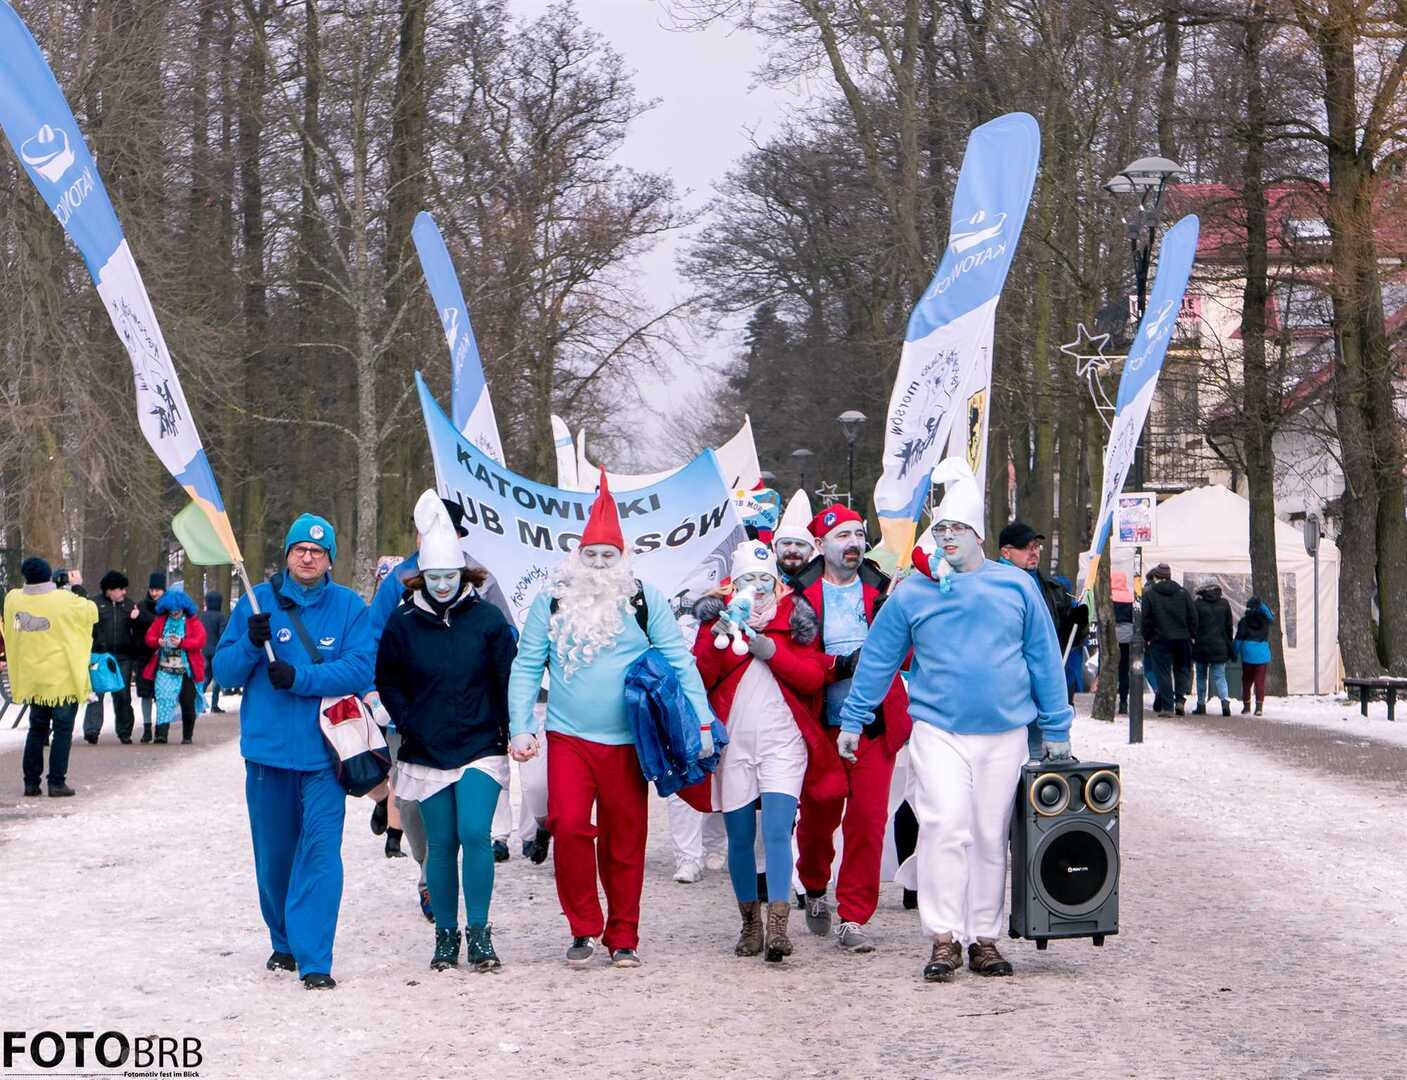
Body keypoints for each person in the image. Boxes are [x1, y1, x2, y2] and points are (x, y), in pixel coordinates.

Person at [838, 458, 1074, 982]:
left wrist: (1056, 729)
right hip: (938, 728)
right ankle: (943, 936)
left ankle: (983, 937)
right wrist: (854, 719)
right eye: (940, 528)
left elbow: (1043, 658)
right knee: (945, 824)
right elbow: (878, 658)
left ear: (979, 536)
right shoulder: (914, 593)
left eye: (956, 529)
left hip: (1005, 730)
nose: (946, 537)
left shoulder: (1015, 587)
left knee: (990, 834)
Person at [506, 470, 717, 969]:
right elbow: (526, 664)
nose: (599, 566)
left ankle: (624, 934)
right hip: (568, 737)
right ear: (577, 556)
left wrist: (702, 721)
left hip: (629, 740)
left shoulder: (645, 601)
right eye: (591, 555)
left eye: (609, 556)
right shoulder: (551, 601)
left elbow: (679, 659)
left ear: (623, 559)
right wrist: (520, 725)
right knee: (569, 825)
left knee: (626, 838)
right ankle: (583, 926)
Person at [213, 514, 375, 990]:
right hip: (268, 757)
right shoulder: (256, 603)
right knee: (275, 857)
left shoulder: (348, 607)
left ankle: (314, 958)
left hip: (327, 757)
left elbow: (359, 669)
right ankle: (283, 940)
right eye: (300, 549)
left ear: (330, 560)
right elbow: (223, 674)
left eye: (318, 551)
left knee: (322, 854)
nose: (309, 557)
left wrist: (301, 678)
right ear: (287, 555)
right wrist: (250, 642)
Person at [375, 492, 518, 972]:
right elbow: (388, 678)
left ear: (463, 574)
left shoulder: (488, 620)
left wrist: (515, 728)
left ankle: (479, 932)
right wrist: (408, 719)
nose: (440, 586)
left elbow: (508, 676)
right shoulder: (403, 621)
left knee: (475, 832)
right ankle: (445, 934)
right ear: (422, 576)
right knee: (441, 843)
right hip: (425, 746)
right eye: (433, 577)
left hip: (480, 741)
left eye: (449, 577)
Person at [687, 541, 836, 962]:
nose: (757, 587)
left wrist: (769, 650)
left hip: (783, 741)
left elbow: (812, 677)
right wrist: (716, 640)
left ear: (776, 582)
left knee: (776, 830)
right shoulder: (715, 623)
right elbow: (698, 678)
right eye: (748, 579)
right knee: (738, 836)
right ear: (734, 584)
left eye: (764, 579)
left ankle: (778, 927)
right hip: (734, 743)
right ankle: (749, 923)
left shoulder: (795, 620)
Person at [792, 503, 911, 954]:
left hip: (874, 726)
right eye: (842, 536)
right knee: (821, 810)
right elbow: (793, 658)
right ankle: (814, 883)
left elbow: (907, 656)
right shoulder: (798, 596)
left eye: (859, 535)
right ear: (821, 545)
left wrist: (895, 628)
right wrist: (839, 665)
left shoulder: (884, 591)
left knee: (868, 821)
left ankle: (854, 915)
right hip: (820, 724)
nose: (854, 544)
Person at [367, 495, 475, 904]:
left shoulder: (478, 578)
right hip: (404, 713)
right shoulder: (397, 580)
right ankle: (429, 862)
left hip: (461, 715)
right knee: (409, 801)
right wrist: (373, 690)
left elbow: (505, 638)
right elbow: (371, 638)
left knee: (453, 800)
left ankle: (433, 882)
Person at [5, 557, 98, 797]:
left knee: (36, 730)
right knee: (63, 730)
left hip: (34, 679)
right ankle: (56, 782)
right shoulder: (65, 600)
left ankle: (31, 782)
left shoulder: (13, 599)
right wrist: (76, 586)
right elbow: (90, 613)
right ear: (49, 576)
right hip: (61, 680)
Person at [998, 521, 1088, 713]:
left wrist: (1077, 625)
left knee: (1039, 742)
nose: (1034, 552)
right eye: (1025, 547)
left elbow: (1064, 642)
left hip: (1043, 686)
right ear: (1006, 552)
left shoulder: (1054, 589)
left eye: (1036, 546)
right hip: (1006, 689)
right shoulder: (992, 585)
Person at [84, 570, 141, 744]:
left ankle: (125, 731)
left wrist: (135, 620)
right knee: (97, 693)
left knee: (122, 694)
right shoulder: (93, 604)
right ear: (109, 590)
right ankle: (92, 730)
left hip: (123, 656)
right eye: (120, 589)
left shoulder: (130, 606)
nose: (124, 592)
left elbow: (138, 632)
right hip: (100, 656)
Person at [143, 590, 207, 744]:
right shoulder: (160, 621)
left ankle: (187, 736)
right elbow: (149, 638)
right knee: (163, 700)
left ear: (184, 608)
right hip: (164, 669)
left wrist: (182, 643)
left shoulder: (193, 622)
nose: (174, 614)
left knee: (187, 702)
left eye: (177, 611)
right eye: (171, 611)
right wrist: (158, 641)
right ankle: (161, 735)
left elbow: (200, 641)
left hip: (186, 671)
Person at [1141, 564, 1197, 717]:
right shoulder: (1183, 593)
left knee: (1163, 672)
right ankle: (1179, 699)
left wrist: (1147, 638)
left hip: (1160, 639)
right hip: (1182, 638)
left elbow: (1145, 619)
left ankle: (1167, 707)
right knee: (1182, 669)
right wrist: (1192, 635)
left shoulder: (1150, 594)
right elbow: (1193, 616)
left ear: (1156, 577)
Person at [131, 573, 166, 742]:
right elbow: (136, 629)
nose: (154, 593)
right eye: (152, 589)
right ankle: (146, 728)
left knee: (162, 693)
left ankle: (160, 728)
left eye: (158, 590)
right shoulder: (140, 605)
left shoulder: (169, 607)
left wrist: (143, 619)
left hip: (164, 655)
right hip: (144, 656)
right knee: (145, 693)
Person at [1192, 583, 1235, 716]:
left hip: (1201, 645)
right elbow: (1229, 626)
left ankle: (1201, 704)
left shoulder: (1198, 604)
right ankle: (1225, 702)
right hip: (1220, 645)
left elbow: (1193, 624)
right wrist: (1228, 642)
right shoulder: (1224, 603)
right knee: (1220, 676)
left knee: (1201, 676)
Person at [1234, 597, 1275, 716]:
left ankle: (1246, 707)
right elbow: (1270, 616)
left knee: (1246, 681)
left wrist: (1234, 653)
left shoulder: (1244, 621)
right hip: (1262, 655)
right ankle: (1259, 708)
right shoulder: (1265, 621)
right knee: (1260, 682)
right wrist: (1261, 604)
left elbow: (1238, 639)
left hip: (1248, 655)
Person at [771, 489, 816, 588]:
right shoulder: (760, 582)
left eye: (800, 544)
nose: (792, 550)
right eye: (786, 543)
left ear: (813, 550)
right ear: (774, 547)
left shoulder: (823, 585)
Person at [200, 591, 229, 712]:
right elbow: (223, 634)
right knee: (216, 678)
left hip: (203, 649)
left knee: (206, 678)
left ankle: (199, 702)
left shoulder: (201, 616)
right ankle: (214, 705)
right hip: (216, 650)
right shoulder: (221, 616)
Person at [1111, 572, 1134, 715]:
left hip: (1112, 635)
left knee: (1110, 668)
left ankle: (1109, 699)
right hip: (1127, 636)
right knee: (1124, 670)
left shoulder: (1109, 596)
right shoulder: (1130, 597)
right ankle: (1124, 701)